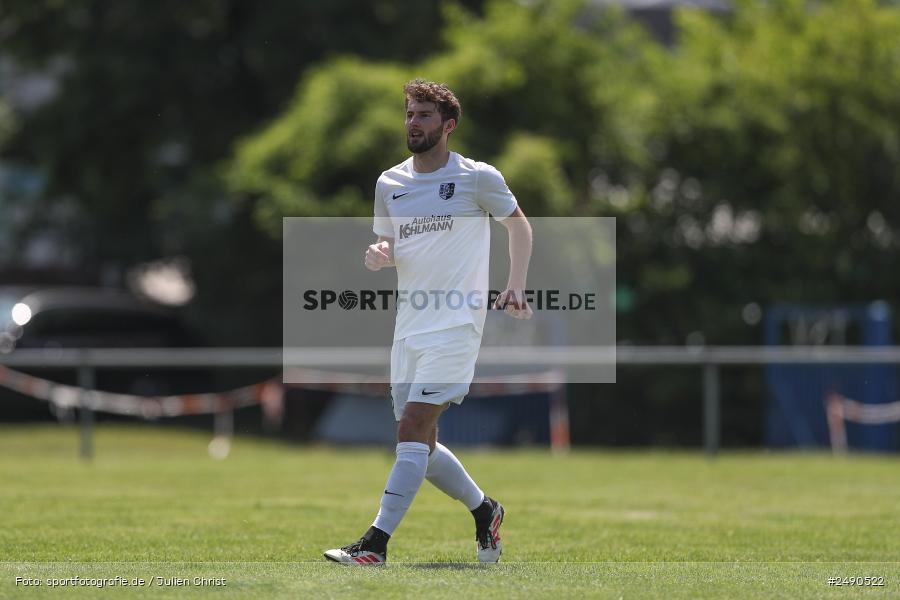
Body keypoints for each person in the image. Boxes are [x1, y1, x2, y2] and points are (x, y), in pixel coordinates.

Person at [324, 79, 533, 566]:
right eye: (409, 114)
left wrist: (515, 284)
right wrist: (381, 256)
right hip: (409, 326)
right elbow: (396, 249)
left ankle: (374, 545)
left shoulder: (477, 177)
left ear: (448, 125)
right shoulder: (388, 183)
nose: (412, 123)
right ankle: (486, 511)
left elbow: (518, 225)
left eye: (423, 116)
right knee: (419, 438)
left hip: (457, 324)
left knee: (413, 427)